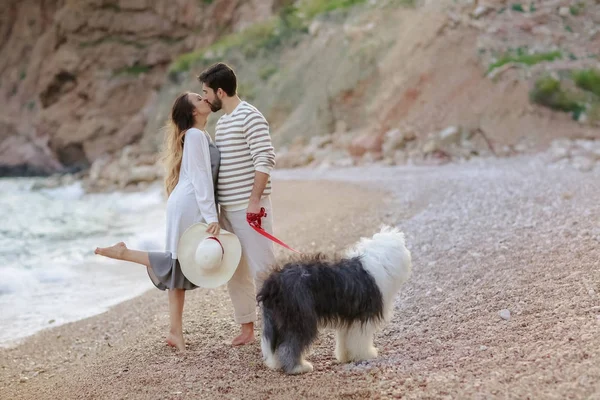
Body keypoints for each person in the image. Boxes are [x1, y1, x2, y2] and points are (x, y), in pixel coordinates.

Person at [94, 92, 220, 351]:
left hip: (186, 203)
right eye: (199, 99)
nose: (205, 98)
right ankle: (124, 252)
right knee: (177, 263)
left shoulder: (200, 135)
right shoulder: (195, 136)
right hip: (190, 204)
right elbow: (201, 179)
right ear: (194, 112)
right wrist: (212, 217)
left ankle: (175, 333)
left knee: (178, 266)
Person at [198, 62, 276, 346]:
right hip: (227, 212)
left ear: (220, 91)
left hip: (250, 209)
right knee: (235, 271)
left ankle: (276, 329)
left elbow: (265, 159)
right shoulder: (223, 123)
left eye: (206, 92)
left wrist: (255, 201)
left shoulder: (250, 116)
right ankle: (246, 328)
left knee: (264, 270)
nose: (204, 98)